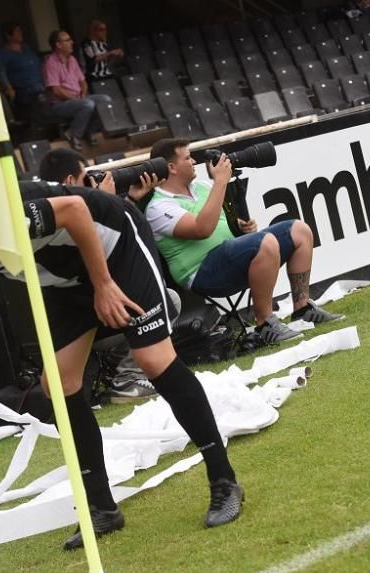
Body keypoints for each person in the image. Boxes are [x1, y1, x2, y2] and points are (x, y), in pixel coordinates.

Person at [0, 186, 244, 550]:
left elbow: (74, 210)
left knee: (152, 359)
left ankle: (223, 479)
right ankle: (102, 508)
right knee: (59, 383)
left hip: (112, 249)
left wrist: (104, 283)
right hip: (63, 279)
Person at [145, 138, 343, 346]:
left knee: (299, 231)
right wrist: (220, 182)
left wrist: (240, 227)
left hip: (230, 258)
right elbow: (201, 229)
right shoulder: (158, 207)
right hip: (203, 273)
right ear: (171, 167)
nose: (193, 161)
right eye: (187, 158)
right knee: (265, 242)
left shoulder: (202, 187)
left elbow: (219, 224)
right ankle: (265, 324)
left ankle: (302, 309)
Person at [37, 147, 166, 401]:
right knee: (166, 300)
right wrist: (104, 204)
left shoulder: (45, 211)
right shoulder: (66, 215)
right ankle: (128, 378)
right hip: (86, 318)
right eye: (87, 178)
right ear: (71, 181)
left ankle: (122, 363)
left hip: (79, 320)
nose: (91, 183)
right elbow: (106, 261)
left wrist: (126, 202)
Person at [42, 30, 110, 151]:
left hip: (79, 98)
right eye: (67, 40)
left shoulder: (72, 59)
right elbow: (56, 90)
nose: (72, 42)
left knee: (105, 100)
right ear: (58, 45)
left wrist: (83, 94)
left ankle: (89, 131)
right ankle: (74, 135)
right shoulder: (50, 62)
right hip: (60, 104)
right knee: (87, 104)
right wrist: (76, 99)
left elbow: (83, 82)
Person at [0, 22, 46, 119]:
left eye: (20, 30)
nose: (20, 33)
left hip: (40, 86)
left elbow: (37, 62)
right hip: (23, 91)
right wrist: (9, 88)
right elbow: (2, 72)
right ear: (8, 35)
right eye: (17, 31)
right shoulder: (4, 54)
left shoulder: (26, 48)